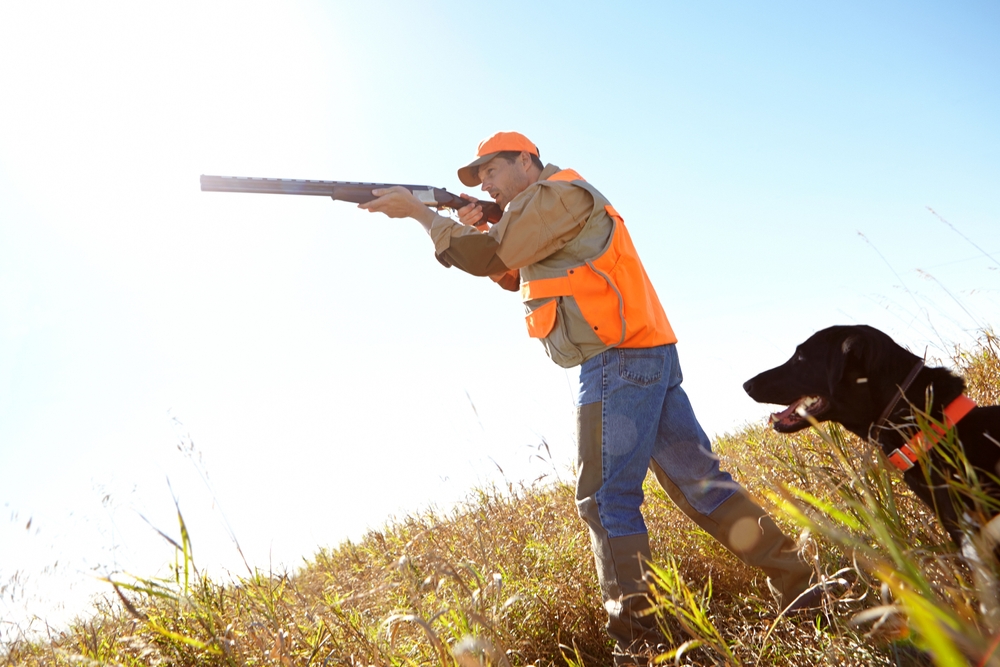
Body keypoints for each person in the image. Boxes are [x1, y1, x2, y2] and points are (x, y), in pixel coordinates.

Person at [359, 132, 818, 664]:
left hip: (617, 360)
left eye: (491, 170)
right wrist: (484, 221)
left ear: (526, 161)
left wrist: (421, 214)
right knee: (703, 485)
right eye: (479, 177)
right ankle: (805, 589)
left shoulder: (554, 194)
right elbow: (511, 273)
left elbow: (489, 258)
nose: (484, 181)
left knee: (605, 500)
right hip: (641, 354)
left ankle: (638, 647)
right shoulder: (542, 202)